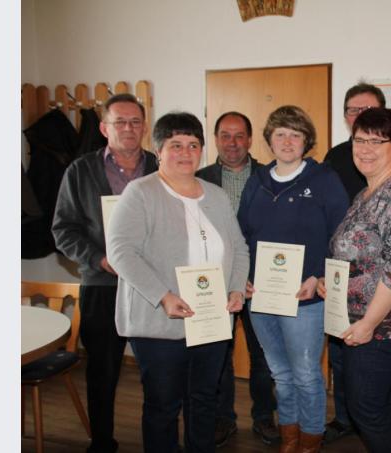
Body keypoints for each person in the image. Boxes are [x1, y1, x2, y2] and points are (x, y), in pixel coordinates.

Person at [106, 112, 250, 453]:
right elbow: (121, 252)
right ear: (158, 150)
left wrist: (235, 287)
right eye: (175, 145)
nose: (185, 152)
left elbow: (239, 247)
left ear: (201, 150)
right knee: (163, 406)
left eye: (192, 145)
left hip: (211, 320)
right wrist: (164, 296)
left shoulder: (215, 195)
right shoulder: (140, 192)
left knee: (203, 402)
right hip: (160, 322)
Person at [237, 105, 349, 453]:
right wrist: (242, 278)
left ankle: (310, 440)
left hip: (306, 299)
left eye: (295, 134)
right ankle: (290, 437)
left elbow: (342, 237)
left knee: (305, 375)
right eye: (281, 133)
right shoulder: (256, 182)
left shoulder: (324, 181)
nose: (287, 141)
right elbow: (241, 234)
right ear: (269, 139)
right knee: (281, 376)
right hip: (262, 298)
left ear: (306, 141)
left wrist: (318, 275)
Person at [52, 93, 158, 453]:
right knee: (102, 371)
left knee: (157, 372)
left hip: (154, 288)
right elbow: (63, 230)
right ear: (103, 128)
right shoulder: (80, 171)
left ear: (145, 127)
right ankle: (101, 442)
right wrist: (98, 258)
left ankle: (158, 441)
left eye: (135, 122)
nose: (128, 129)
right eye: (120, 122)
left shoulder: (163, 168)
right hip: (102, 285)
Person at [318, 107, 391, 453]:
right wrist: (330, 283)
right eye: (359, 140)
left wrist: (368, 323)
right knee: (375, 405)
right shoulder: (367, 193)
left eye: (376, 142)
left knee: (367, 409)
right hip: (362, 322)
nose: (364, 149)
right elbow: (361, 257)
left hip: (382, 327)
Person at [196, 111, 279, 446]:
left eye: (239, 135)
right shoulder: (198, 179)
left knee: (263, 356)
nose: (232, 143)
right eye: (225, 135)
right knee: (219, 355)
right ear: (216, 139)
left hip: (259, 282)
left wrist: (251, 274)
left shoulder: (269, 177)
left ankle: (263, 417)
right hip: (214, 284)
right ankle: (223, 418)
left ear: (250, 139)